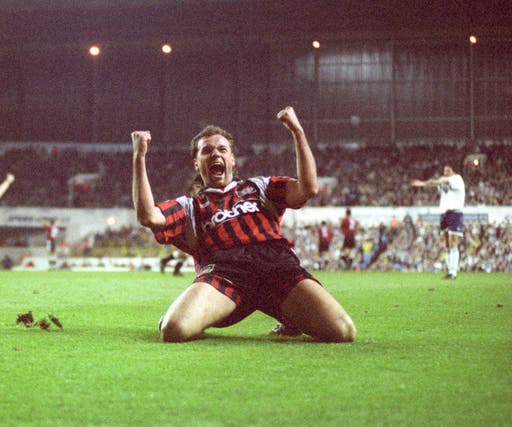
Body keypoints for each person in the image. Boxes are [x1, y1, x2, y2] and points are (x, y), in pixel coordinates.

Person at [131, 106, 356, 343]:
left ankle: (288, 314)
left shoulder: (259, 188)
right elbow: (148, 216)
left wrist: (297, 132)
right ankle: (195, 312)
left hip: (277, 268)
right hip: (225, 274)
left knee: (343, 331)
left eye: (222, 149)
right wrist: (139, 156)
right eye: (206, 151)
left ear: (232, 159)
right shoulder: (190, 206)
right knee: (174, 329)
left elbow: (308, 189)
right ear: (197, 164)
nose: (215, 154)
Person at [411, 164, 465, 279]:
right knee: (447, 243)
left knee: (453, 241)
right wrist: (425, 184)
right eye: (444, 170)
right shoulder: (443, 181)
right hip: (444, 213)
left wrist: (424, 183)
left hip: (455, 213)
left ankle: (453, 272)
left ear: (453, 170)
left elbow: (439, 181)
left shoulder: (457, 179)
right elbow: (437, 184)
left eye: (448, 170)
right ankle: (450, 270)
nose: (445, 172)